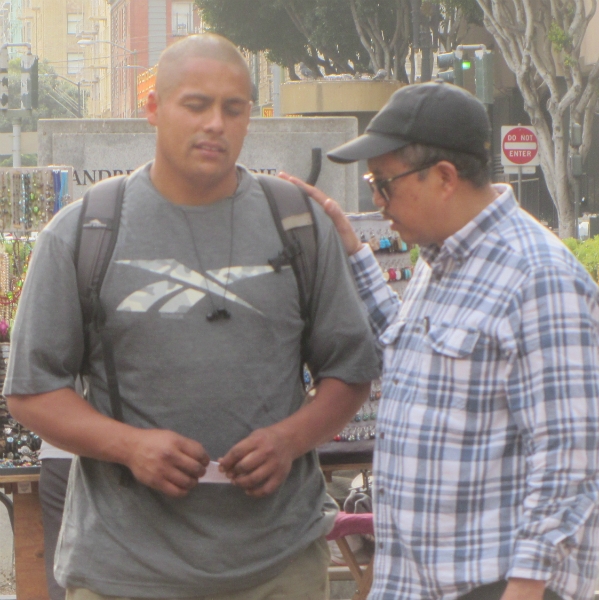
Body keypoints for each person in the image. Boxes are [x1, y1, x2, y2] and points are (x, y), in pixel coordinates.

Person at [4, 34, 380, 600]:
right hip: (125, 571)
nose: (216, 125)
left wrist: (290, 438)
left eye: (234, 108)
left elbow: (350, 370)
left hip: (277, 567)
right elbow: (32, 391)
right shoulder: (83, 233)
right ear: (154, 109)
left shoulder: (299, 227)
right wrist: (128, 446)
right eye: (196, 104)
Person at [282, 82, 599, 600]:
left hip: (491, 584)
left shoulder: (537, 276)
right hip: (419, 581)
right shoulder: (443, 260)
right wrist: (353, 250)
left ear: (445, 178)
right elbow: (410, 356)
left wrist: (523, 589)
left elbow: (569, 457)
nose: (378, 201)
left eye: (383, 184)